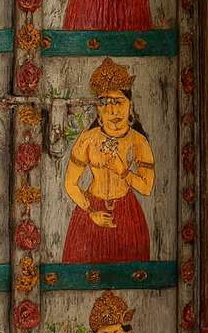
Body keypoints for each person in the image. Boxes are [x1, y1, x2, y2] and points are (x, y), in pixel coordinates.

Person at [63, 57, 154, 263]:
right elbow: (71, 183)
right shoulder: (88, 139)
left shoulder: (137, 141)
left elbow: (147, 187)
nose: (113, 111)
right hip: (91, 212)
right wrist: (91, 211)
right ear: (99, 109)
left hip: (126, 215)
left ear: (130, 105)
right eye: (106, 103)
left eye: (119, 102)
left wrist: (125, 173)